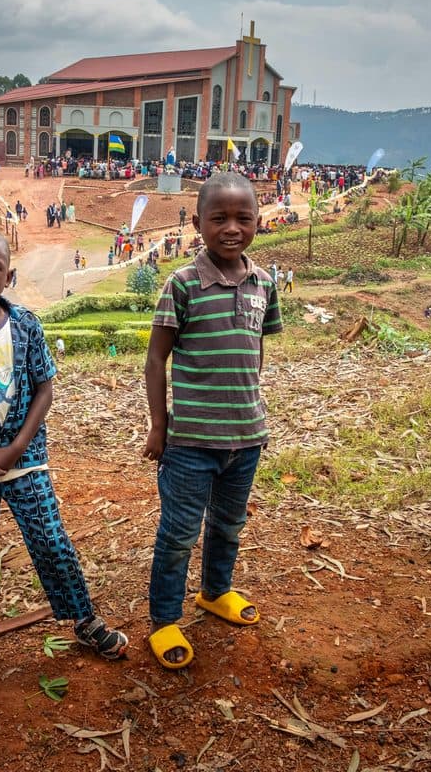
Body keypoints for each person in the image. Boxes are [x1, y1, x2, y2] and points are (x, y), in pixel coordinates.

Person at [0, 227, 128, 666]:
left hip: (25, 460)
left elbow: (44, 390)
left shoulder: (27, 326)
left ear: (7, 277)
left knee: (51, 540)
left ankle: (83, 619)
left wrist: (14, 449)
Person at [142, 172, 281, 669]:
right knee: (179, 532)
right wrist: (160, 426)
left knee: (228, 523)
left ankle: (215, 591)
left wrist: (251, 406)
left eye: (243, 218)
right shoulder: (181, 284)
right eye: (218, 218)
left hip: (245, 438)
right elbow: (156, 360)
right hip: (191, 442)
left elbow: (257, 346)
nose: (231, 228)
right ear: (197, 222)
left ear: (258, 222)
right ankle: (164, 620)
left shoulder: (265, 282)